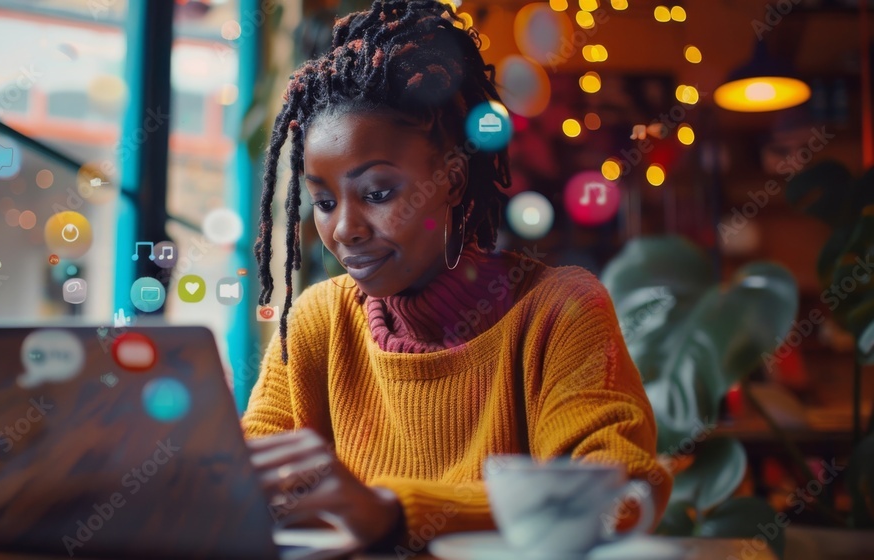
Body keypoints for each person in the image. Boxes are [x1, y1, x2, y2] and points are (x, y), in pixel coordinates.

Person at [243, 0, 671, 553]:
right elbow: (248, 491)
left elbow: (620, 494)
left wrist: (393, 512)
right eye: (323, 201)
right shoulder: (317, 322)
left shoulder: (560, 310)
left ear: (451, 177)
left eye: (377, 193)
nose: (344, 229)